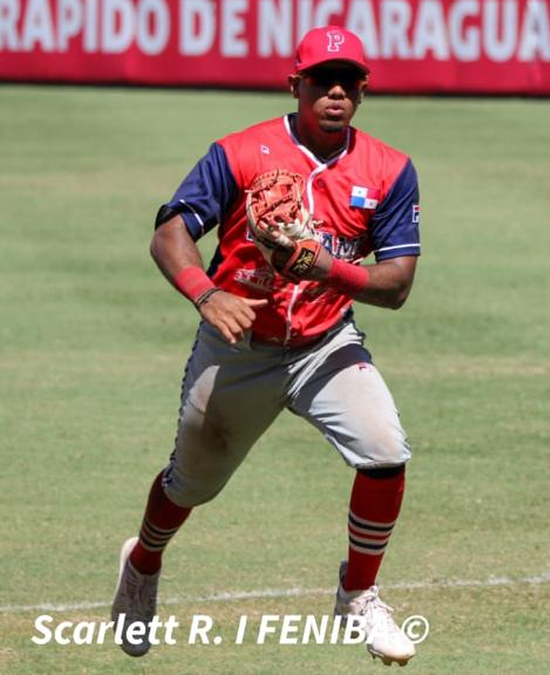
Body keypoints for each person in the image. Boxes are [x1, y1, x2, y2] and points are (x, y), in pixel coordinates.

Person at [110, 26, 424, 665]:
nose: (335, 93)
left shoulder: (390, 169)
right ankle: (142, 565)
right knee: (189, 487)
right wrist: (205, 294)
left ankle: (357, 594)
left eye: (349, 82)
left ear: (363, 91)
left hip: (324, 343)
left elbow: (396, 286)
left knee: (385, 451)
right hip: (238, 345)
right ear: (296, 85)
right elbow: (169, 233)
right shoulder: (239, 151)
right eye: (321, 81)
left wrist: (327, 270)